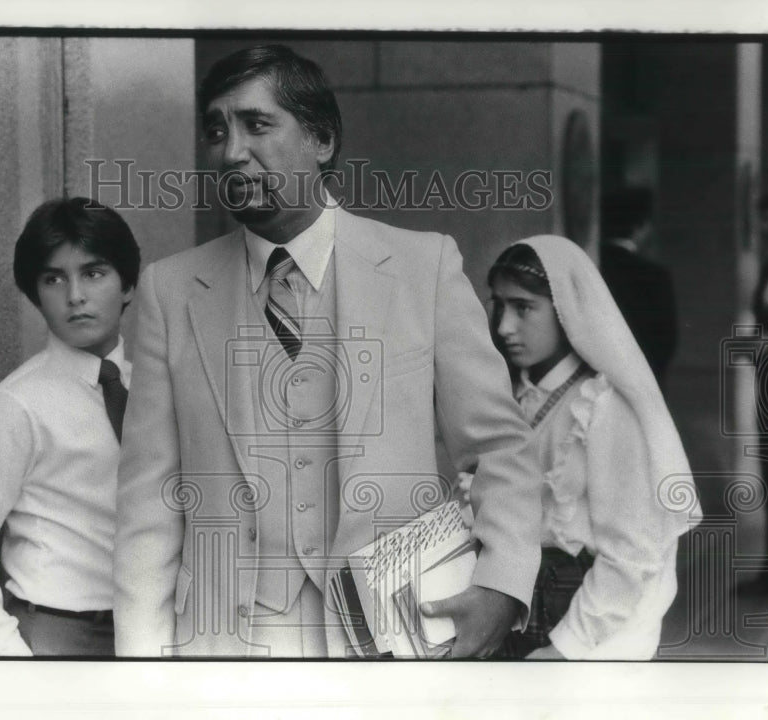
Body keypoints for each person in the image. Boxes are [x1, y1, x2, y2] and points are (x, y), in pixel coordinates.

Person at [114, 44, 543, 658]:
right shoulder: (170, 289)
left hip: (394, 637)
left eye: (257, 124)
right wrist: (142, 672)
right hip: (224, 647)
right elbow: (148, 503)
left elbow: (502, 449)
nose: (232, 151)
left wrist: (501, 586)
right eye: (216, 129)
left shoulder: (424, 268)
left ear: (321, 140)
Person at [0, 197, 140, 656]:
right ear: (35, 294)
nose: (75, 296)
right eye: (54, 279)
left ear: (127, 285)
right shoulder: (14, 406)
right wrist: (7, 661)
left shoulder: (151, 391)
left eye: (94, 273)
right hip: (56, 633)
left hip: (146, 631)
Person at [480, 234, 702, 659]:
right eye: (499, 305)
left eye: (523, 307)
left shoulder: (605, 407)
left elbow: (633, 553)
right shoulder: (523, 396)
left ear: (567, 310)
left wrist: (564, 649)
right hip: (521, 607)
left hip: (576, 625)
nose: (505, 326)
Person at [600, 187, 678, 388]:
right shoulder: (655, 276)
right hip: (643, 380)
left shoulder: (592, 268)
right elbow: (666, 341)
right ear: (641, 226)